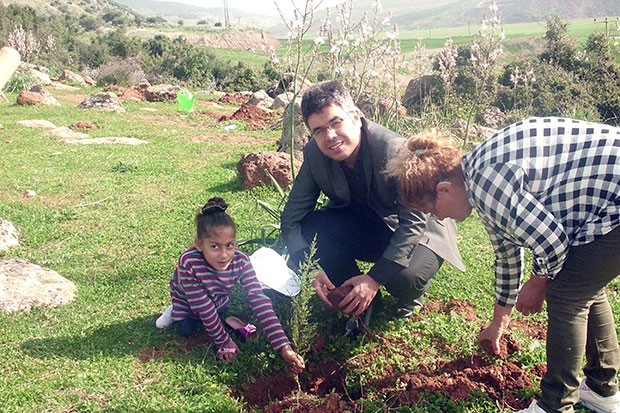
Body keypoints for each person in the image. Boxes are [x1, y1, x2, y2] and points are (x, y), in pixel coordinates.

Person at [385, 116, 620, 413]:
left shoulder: (488, 184)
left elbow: (553, 242)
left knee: (565, 293)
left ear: (444, 190)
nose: (438, 218)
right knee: (581, 283)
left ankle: (555, 405)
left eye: (431, 210)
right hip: (608, 197)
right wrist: (499, 323)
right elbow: (507, 255)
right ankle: (601, 390)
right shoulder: (477, 179)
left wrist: (537, 283)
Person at [280, 80, 464, 336]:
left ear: (356, 117)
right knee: (312, 226)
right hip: (366, 223)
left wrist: (375, 278)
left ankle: (406, 295)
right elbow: (292, 218)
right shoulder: (314, 154)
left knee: (404, 279)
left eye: (336, 122)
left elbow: (413, 223)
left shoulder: (393, 149)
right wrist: (308, 268)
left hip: (420, 230)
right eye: (319, 130)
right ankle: (358, 298)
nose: (330, 136)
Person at [156, 197, 305, 373]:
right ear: (199, 245)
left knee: (219, 314)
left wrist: (283, 345)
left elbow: (259, 300)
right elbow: (202, 306)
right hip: (188, 299)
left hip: (217, 298)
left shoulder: (241, 261)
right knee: (187, 328)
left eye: (229, 245)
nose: (224, 254)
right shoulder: (189, 262)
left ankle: (218, 315)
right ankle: (174, 309)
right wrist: (224, 341)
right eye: (214, 246)